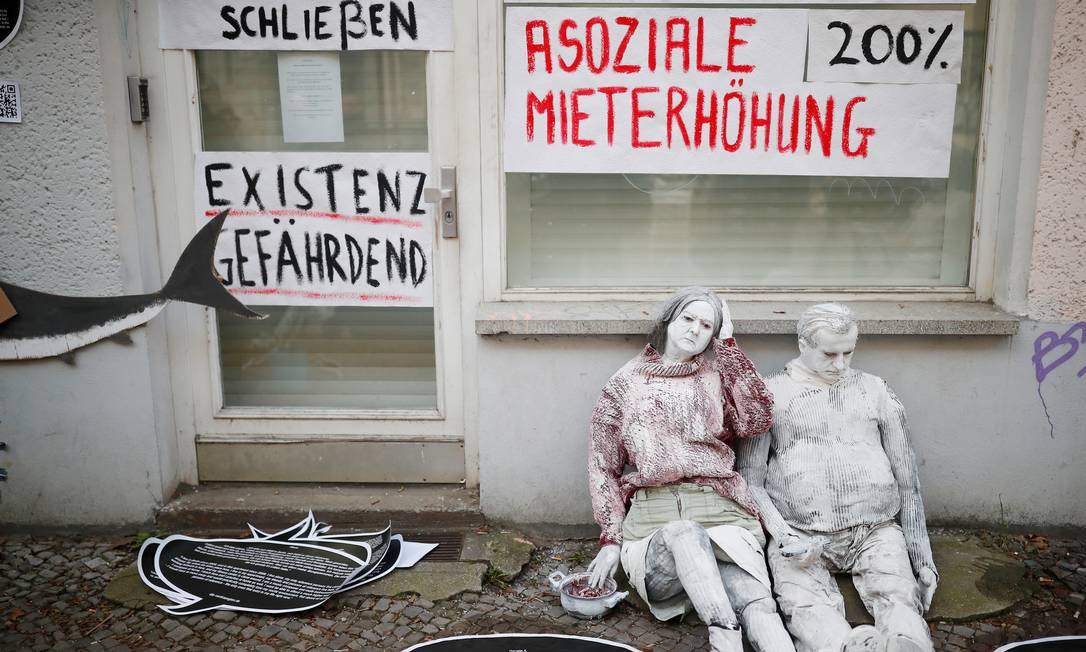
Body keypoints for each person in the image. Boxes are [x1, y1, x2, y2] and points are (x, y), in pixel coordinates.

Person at [586, 287, 795, 652]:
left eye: (707, 325)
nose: (695, 329)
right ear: (668, 320)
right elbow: (603, 467)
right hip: (656, 527)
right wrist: (610, 540)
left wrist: (728, 346)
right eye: (687, 318)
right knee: (685, 533)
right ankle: (725, 639)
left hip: (723, 515)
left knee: (758, 604)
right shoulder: (625, 383)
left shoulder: (717, 375)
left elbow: (757, 419)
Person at [736, 303, 938, 652]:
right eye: (829, 353)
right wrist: (782, 534)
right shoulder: (770, 395)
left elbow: (908, 481)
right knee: (803, 606)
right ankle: (842, 648)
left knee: (900, 597)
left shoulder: (876, 390)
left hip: (875, 530)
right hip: (801, 533)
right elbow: (750, 481)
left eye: (849, 352)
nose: (840, 364)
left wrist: (922, 557)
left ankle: (905, 646)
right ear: (803, 345)